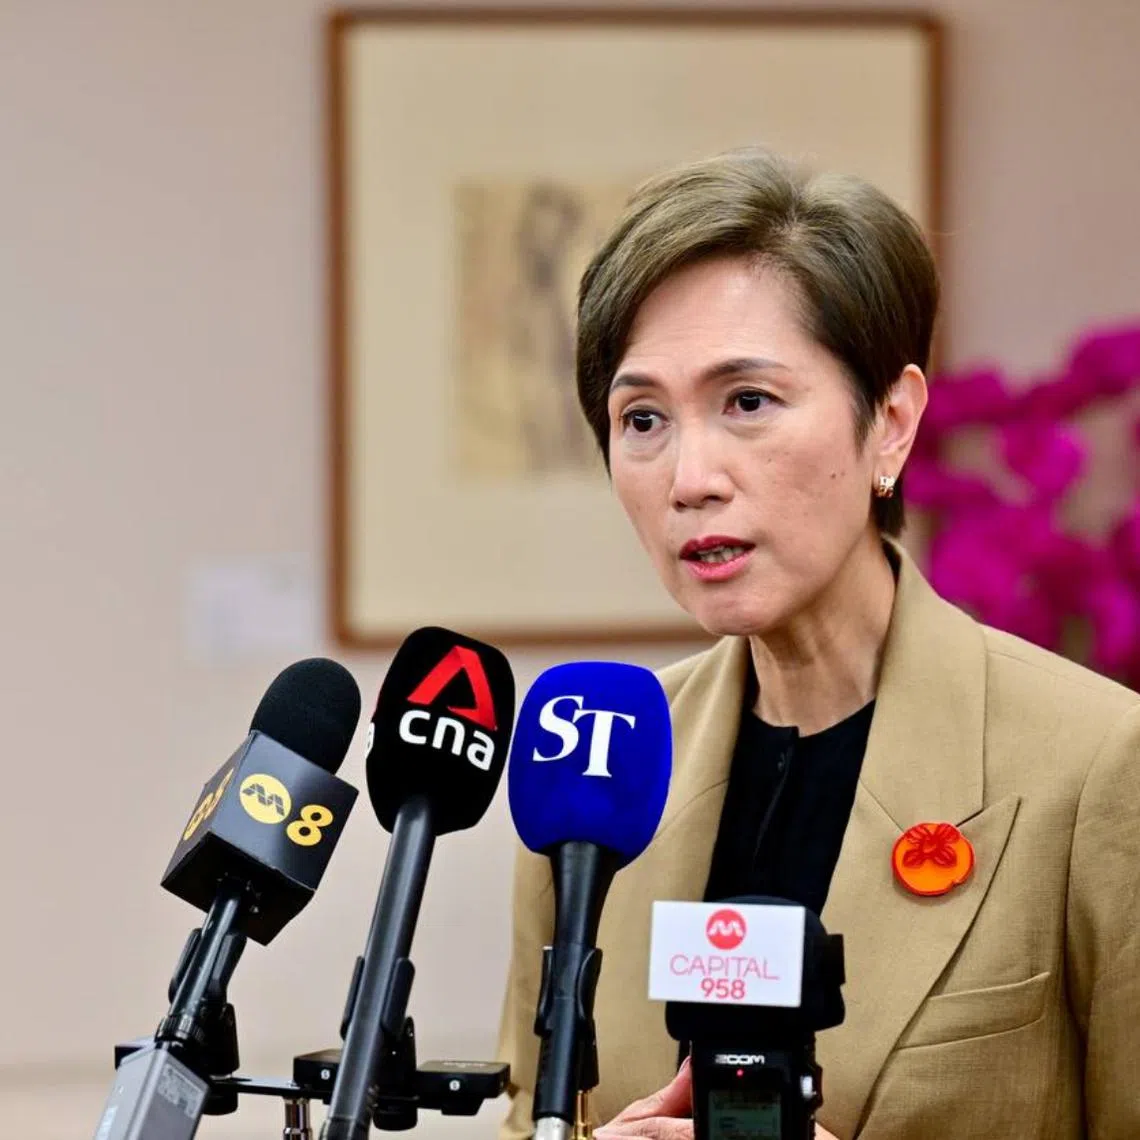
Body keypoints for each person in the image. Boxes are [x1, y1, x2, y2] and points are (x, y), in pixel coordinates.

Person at [495, 148, 1140, 1139]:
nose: (689, 476)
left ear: (889, 424)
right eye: (642, 419)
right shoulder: (597, 770)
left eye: (747, 402)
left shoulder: (1099, 762)